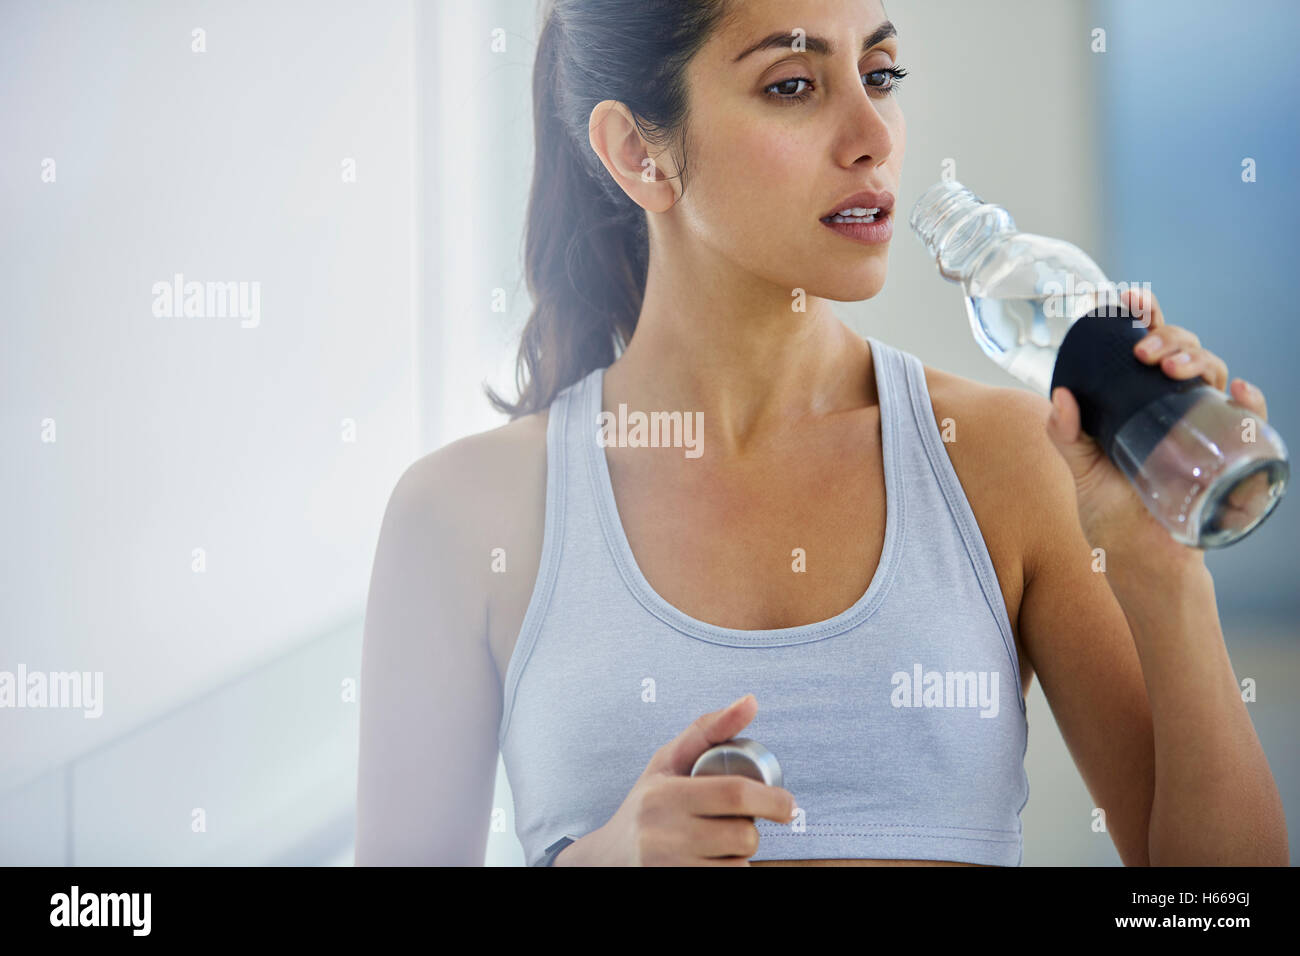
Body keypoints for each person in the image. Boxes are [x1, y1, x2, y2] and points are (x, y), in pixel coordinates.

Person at [354, 0, 1286, 866]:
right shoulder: (461, 516)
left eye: (880, 75)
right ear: (639, 151)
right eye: (792, 87)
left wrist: (1164, 573)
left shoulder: (1014, 461)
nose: (874, 137)